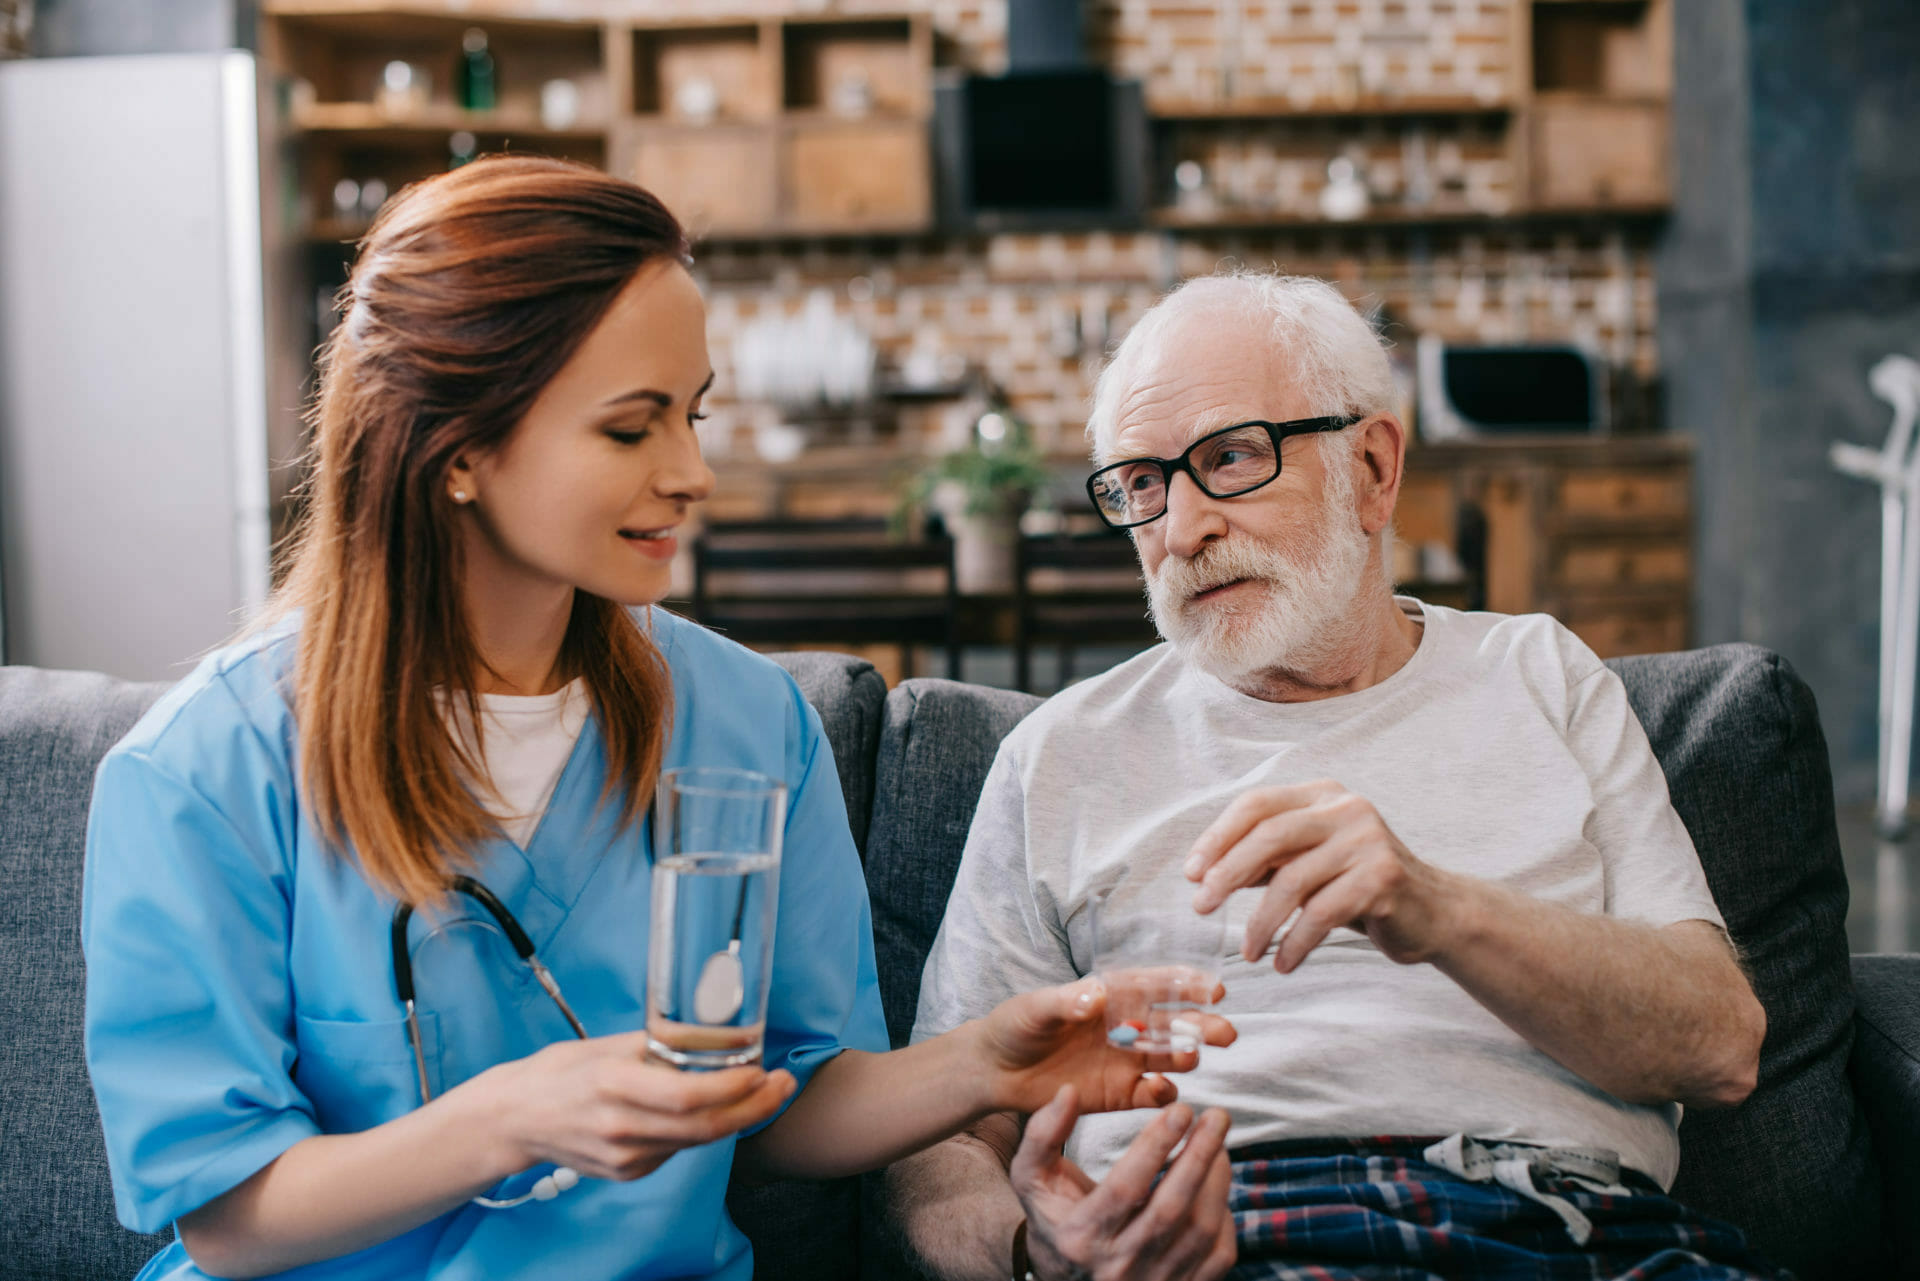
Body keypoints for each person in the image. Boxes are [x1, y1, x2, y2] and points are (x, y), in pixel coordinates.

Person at [81, 157, 1231, 1281]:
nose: (693, 473)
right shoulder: (204, 771)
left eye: (694, 415)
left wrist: (985, 1062)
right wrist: (510, 1119)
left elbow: (785, 1102)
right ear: (459, 445)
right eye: (632, 429)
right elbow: (226, 1218)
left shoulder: (747, 722)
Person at [889, 272, 1783, 1281]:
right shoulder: (1060, 754)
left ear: (1371, 467)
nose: (1179, 532)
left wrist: (1436, 909)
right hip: (1216, 1236)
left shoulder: (1543, 675)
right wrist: (1025, 1250)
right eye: (1142, 483)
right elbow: (942, 1138)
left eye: (1228, 457)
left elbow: (1721, 1046)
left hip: (1570, 1226)